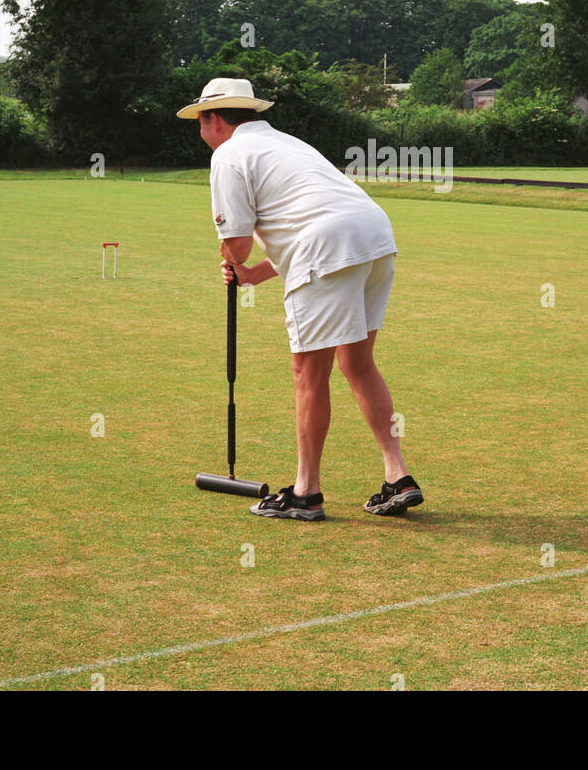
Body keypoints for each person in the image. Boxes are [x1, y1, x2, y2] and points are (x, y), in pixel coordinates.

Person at [178, 77, 422, 522]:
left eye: (199, 121)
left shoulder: (228, 155)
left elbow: (238, 240)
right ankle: (398, 476)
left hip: (329, 244)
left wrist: (232, 261)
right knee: (357, 361)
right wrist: (251, 274)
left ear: (213, 120)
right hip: (374, 236)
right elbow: (306, 222)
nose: (199, 131)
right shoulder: (285, 142)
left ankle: (306, 492)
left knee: (309, 373)